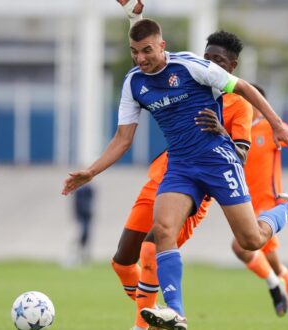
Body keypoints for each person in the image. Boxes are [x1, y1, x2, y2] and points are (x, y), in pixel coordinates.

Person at [62, 14, 288, 330]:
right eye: (134, 52)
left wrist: (276, 125)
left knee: (250, 241)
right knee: (162, 230)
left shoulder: (191, 67)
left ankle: (287, 208)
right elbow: (123, 138)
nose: (140, 59)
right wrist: (92, 171)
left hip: (218, 163)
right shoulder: (134, 83)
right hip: (180, 167)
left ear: (162, 47)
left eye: (147, 52)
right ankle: (176, 314)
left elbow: (245, 89)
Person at [109, 14, 254, 329]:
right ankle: (157, 312)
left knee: (152, 248)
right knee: (121, 261)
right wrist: (136, 17)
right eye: (207, 58)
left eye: (219, 61)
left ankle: (150, 322)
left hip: (197, 187)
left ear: (232, 67)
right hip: (161, 179)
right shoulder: (190, 75)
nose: (211, 65)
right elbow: (154, 60)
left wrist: (223, 134)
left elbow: (240, 155)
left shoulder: (238, 105)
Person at [230, 84, 288, 330]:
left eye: (244, 99)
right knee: (273, 263)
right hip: (244, 206)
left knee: (241, 247)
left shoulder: (270, 128)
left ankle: (275, 287)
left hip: (269, 206)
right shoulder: (235, 131)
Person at [72, 184, 95, 265]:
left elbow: (91, 201)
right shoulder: (79, 190)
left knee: (86, 234)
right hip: (81, 216)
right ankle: (76, 255)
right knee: (81, 234)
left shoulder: (90, 188)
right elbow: (76, 203)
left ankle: (84, 257)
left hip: (87, 215)